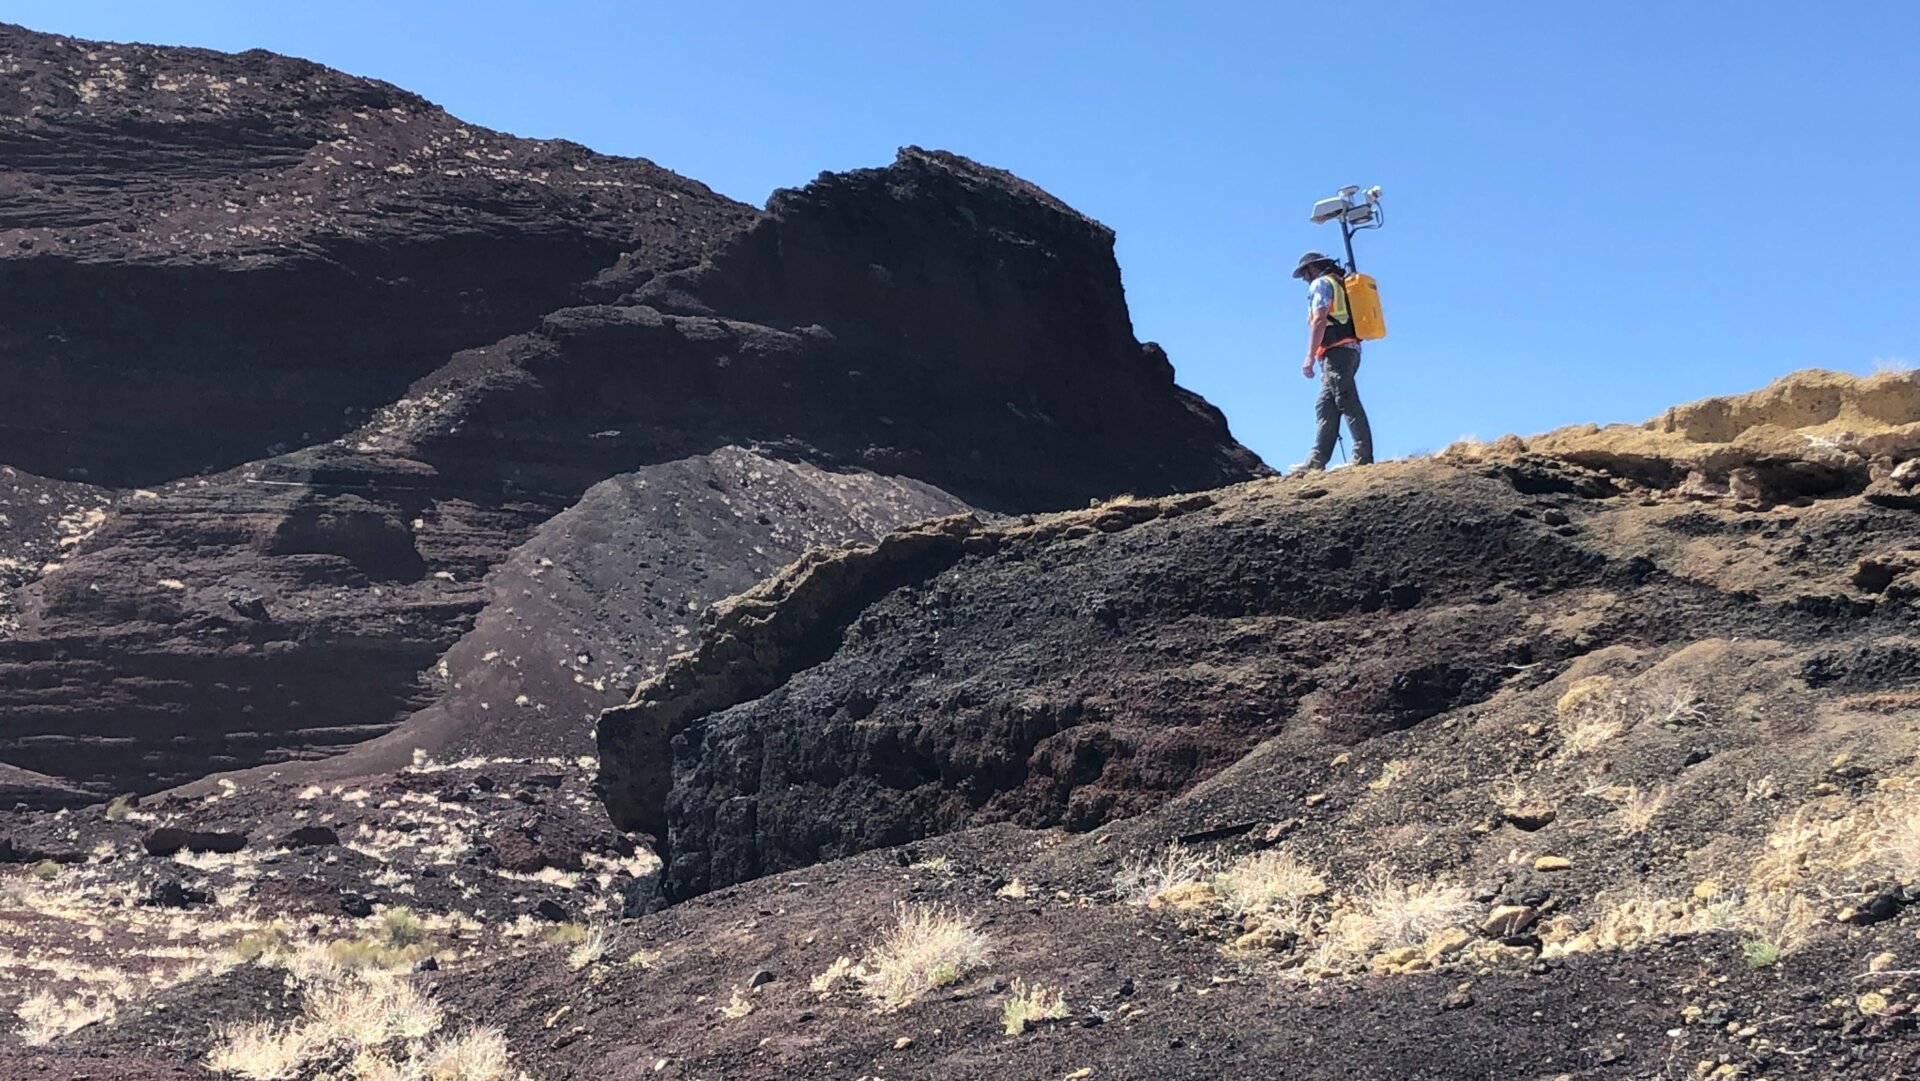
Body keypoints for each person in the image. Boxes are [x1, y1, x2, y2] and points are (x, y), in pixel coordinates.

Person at [1291, 250, 1374, 472]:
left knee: (1346, 400)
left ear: (1312, 268)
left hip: (1336, 351)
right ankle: (1315, 461)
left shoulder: (1320, 284)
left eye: (1305, 274)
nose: (1305, 279)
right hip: (1350, 349)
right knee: (1325, 405)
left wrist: (1309, 357)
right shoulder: (1338, 282)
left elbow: (1319, 319)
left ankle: (1362, 457)